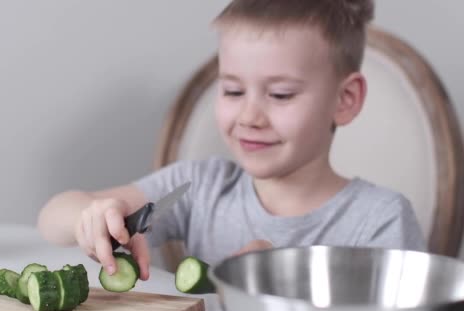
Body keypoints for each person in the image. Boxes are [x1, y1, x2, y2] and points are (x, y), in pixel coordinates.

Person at [37, 0, 426, 281]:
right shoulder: (203, 187)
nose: (250, 117)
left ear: (345, 100)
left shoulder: (381, 220)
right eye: (233, 91)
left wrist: (283, 281)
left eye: (281, 95)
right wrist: (91, 217)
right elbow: (52, 219)